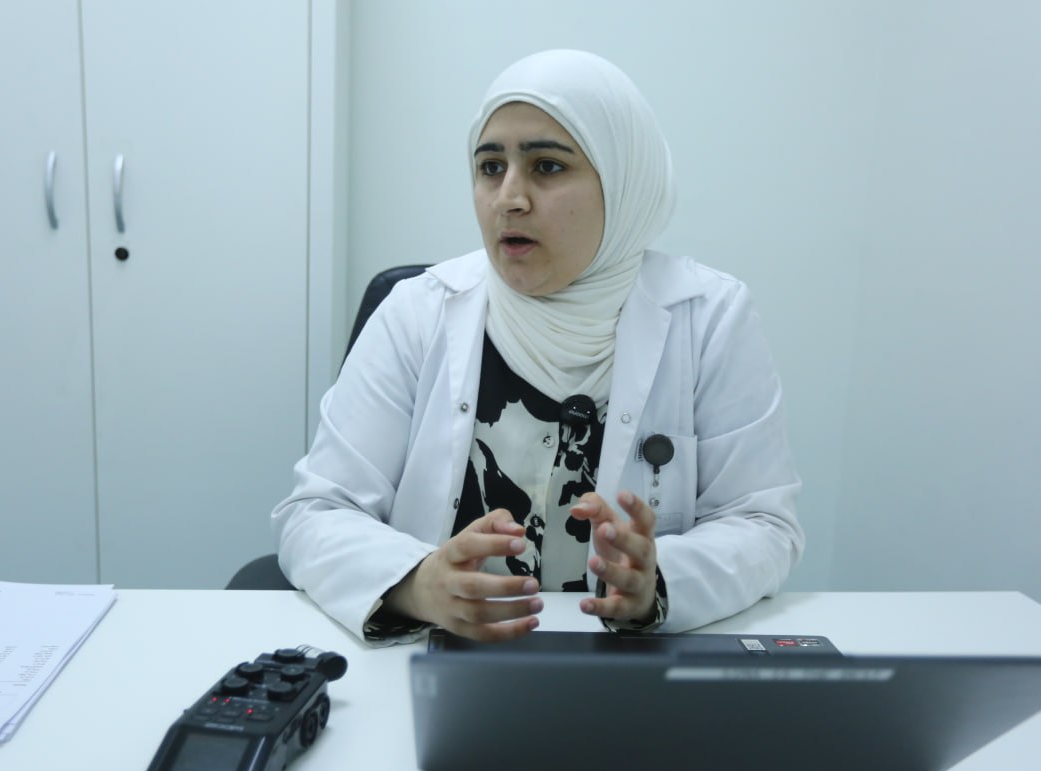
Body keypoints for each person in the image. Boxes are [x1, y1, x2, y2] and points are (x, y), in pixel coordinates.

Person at [273, 49, 803, 645]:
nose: (509, 198)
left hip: (629, 664)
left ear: (623, 180)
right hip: (441, 660)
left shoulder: (707, 318)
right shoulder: (416, 312)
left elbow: (763, 524)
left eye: (547, 166)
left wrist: (658, 584)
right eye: (490, 167)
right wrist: (417, 584)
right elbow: (314, 513)